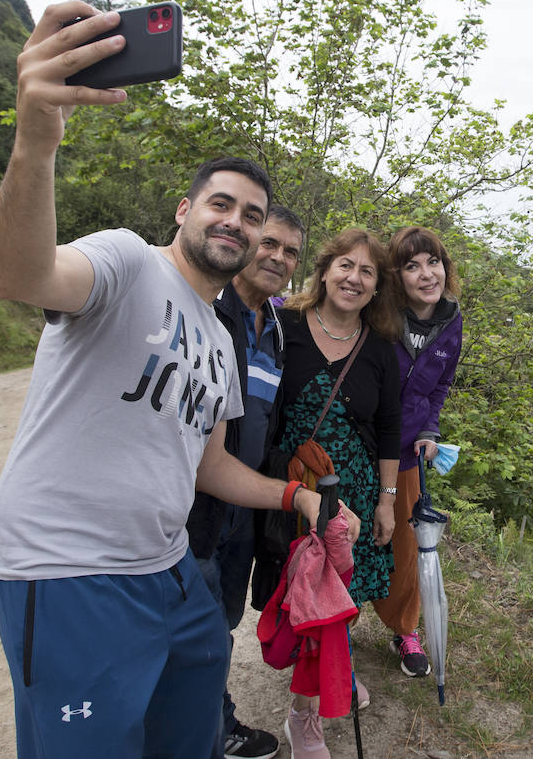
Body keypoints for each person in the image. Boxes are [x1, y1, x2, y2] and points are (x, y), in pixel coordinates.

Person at [0, 0, 353, 759]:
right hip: (68, 572)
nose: (238, 223)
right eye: (221, 203)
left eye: (252, 215)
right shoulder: (128, 262)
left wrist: (300, 497)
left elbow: (211, 466)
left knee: (189, 720)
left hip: (168, 569)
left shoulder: (222, 341)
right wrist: (36, 140)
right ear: (185, 210)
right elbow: (22, 274)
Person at [273, 228, 403, 759]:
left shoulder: (380, 348)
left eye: (367, 272)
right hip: (294, 489)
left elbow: (390, 426)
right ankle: (304, 717)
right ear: (324, 271)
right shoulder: (283, 329)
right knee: (308, 596)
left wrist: (387, 499)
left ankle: (335, 672)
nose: (354, 278)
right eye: (345, 266)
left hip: (355, 490)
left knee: (341, 595)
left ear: (376, 289)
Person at [186, 206, 305, 759]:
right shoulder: (207, 309)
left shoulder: (275, 327)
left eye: (291, 252)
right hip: (195, 505)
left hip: (245, 504)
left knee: (224, 621)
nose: (278, 258)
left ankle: (213, 723)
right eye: (271, 244)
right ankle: (206, 732)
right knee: (197, 629)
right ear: (249, 241)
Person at [371, 226, 464, 678]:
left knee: (407, 550)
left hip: (408, 451)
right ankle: (334, 627)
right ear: (398, 276)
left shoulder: (452, 320)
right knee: (346, 536)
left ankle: (405, 628)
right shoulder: (382, 315)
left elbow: (441, 385)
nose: (427, 274)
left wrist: (430, 428)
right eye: (412, 266)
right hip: (363, 445)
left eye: (434, 262)